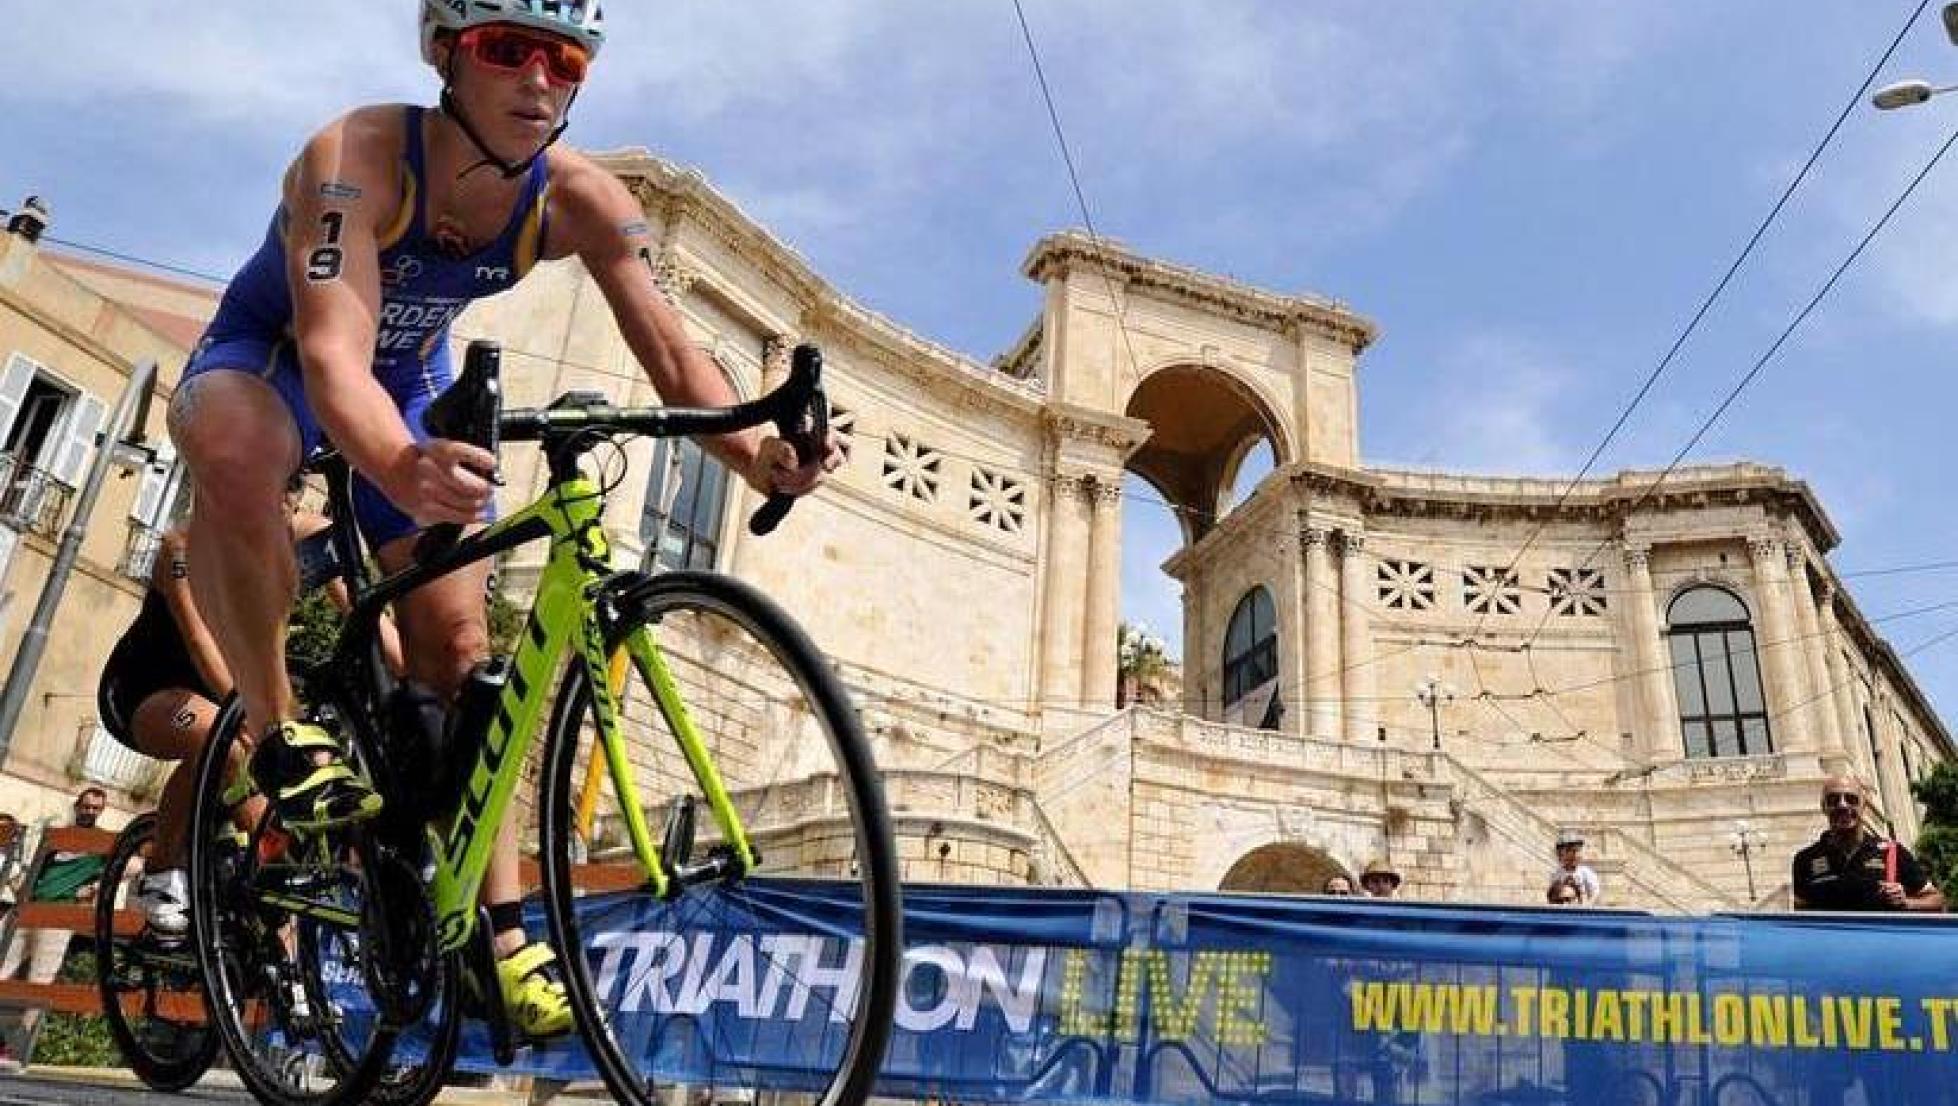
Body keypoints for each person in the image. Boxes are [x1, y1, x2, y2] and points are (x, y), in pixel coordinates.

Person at [166, 0, 843, 1039]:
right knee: (236, 445)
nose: (538, 79)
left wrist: (757, 455)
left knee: (465, 655)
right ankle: (276, 725)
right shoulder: (355, 156)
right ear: (446, 54)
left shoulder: (580, 196)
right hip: (272, 360)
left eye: (564, 61)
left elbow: (673, 353)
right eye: (507, 49)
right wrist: (401, 464)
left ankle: (504, 932)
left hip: (408, 385)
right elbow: (334, 355)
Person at [96, 491, 399, 941]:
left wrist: (405, 669)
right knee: (219, 739)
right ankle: (158, 874)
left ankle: (278, 951)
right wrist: (256, 715)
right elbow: (200, 641)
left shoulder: (310, 534)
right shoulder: (182, 546)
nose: (280, 498)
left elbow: (362, 612)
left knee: (284, 831)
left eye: (292, 485)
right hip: (148, 690)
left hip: (237, 690)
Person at [0, 789, 108, 1037]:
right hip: (31, 906)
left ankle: (19, 1040)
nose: (89, 811)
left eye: (95, 808)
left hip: (61, 914)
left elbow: (132, 866)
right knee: (3, 962)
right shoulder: (58, 834)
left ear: (101, 811)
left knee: (40, 979)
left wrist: (94, 887)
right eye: (86, 806)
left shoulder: (103, 842)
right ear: (77, 806)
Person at [1792, 776, 1944, 912]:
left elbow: (1937, 900)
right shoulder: (1805, 859)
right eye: (1833, 800)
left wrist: (1906, 902)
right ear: (1823, 807)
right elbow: (1799, 913)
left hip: (1879, 935)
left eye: (1851, 799)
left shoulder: (1893, 853)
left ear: (1864, 805)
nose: (1842, 805)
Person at [1547, 829, 1601, 905]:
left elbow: (1595, 892)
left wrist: (1587, 905)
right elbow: (1553, 894)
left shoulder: (1585, 873)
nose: (1573, 855)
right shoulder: (1557, 874)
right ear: (1560, 855)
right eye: (1568, 851)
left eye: (1576, 851)